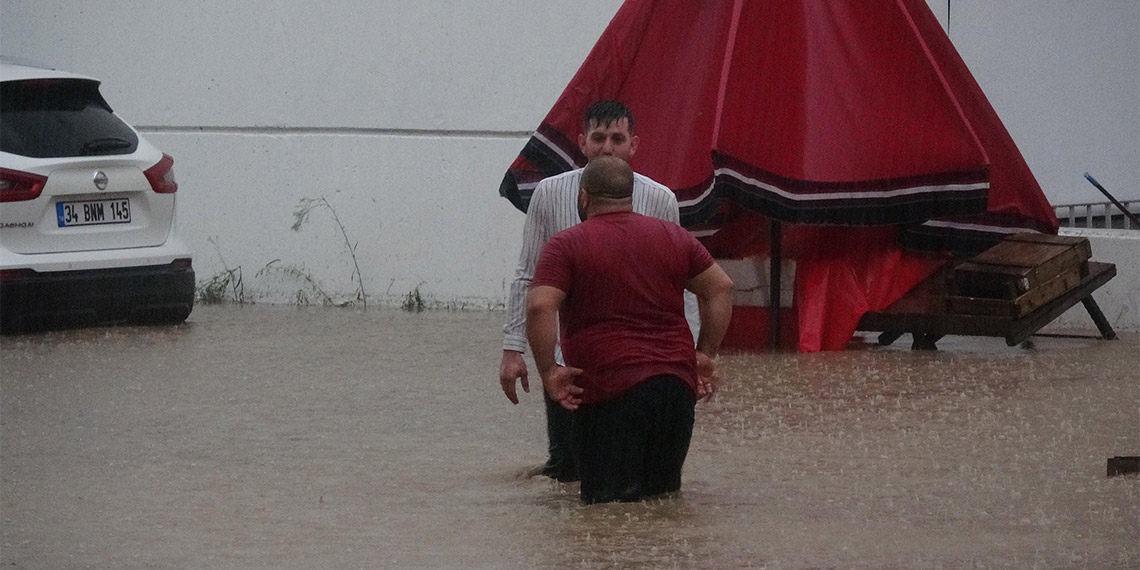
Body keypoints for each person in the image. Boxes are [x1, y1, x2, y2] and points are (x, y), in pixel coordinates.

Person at [499, 100, 696, 483]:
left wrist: (691, 357)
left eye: (617, 139)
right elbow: (528, 277)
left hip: (650, 365)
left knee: (647, 481)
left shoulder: (660, 200)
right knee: (566, 471)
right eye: (599, 137)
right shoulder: (548, 193)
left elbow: (683, 285)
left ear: (634, 145)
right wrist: (513, 350)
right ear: (582, 142)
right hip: (566, 358)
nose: (608, 147)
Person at [525, 156, 733, 503]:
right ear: (630, 195)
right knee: (661, 504)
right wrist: (706, 353)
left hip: (609, 392)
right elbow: (721, 288)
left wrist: (549, 370)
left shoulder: (566, 245)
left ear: (584, 197)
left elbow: (539, 305)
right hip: (675, 391)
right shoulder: (673, 236)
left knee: (604, 511)